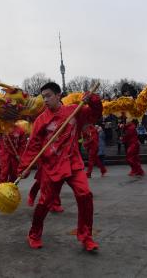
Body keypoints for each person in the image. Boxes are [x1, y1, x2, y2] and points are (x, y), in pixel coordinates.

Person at [17, 82, 101, 251]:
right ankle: (34, 234)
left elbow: (95, 114)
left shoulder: (75, 111)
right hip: (52, 166)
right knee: (44, 203)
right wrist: (24, 167)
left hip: (73, 163)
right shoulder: (41, 120)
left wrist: (92, 100)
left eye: (48, 96)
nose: (45, 100)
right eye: (43, 97)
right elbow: (33, 145)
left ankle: (86, 236)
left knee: (85, 195)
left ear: (58, 95)